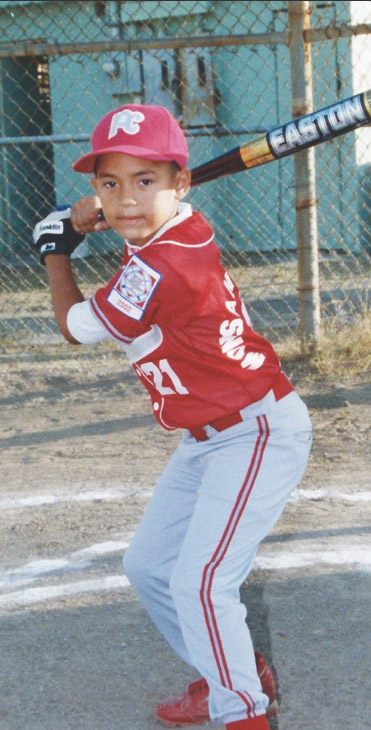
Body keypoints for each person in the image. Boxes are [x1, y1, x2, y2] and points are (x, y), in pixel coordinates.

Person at [32, 104, 312, 730]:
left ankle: (242, 714)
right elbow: (145, 224)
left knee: (202, 582)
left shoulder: (165, 264)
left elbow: (75, 328)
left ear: (181, 184)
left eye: (146, 180)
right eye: (111, 183)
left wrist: (56, 249)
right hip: (208, 436)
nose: (127, 198)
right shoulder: (178, 226)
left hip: (256, 432)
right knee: (149, 566)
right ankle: (229, 675)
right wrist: (110, 217)